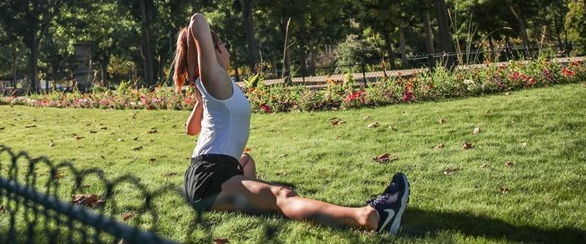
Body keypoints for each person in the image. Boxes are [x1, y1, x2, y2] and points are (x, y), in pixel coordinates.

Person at [173, 13, 410, 234]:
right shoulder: (213, 80)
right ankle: (370, 217)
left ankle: (253, 196)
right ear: (216, 49)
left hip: (212, 170)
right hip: (210, 178)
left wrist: (198, 73)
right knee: (282, 195)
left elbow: (193, 128)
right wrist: (198, 43)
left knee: (246, 160)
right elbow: (197, 21)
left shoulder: (211, 85)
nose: (227, 49)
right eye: (224, 44)